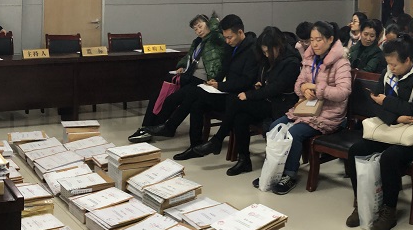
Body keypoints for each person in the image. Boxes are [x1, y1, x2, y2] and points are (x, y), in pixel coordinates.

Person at [346, 35, 413, 230]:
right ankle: (361, 203)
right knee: (356, 151)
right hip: (390, 128)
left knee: (389, 158)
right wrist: (396, 117)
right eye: (388, 63)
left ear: (408, 60)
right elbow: (374, 103)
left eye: (394, 64)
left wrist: (386, 102)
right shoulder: (387, 73)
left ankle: (389, 211)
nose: (391, 68)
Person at [257, 21, 352, 194]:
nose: (314, 44)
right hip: (306, 109)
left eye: (319, 40)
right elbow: (298, 84)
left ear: (330, 39)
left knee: (294, 133)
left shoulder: (341, 63)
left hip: (328, 115)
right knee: (275, 126)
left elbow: (343, 92)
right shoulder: (309, 59)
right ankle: (274, 170)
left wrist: (316, 88)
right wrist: (303, 89)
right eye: (312, 40)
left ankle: (289, 174)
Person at [192, 27, 301, 175]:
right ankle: (244, 160)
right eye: (264, 52)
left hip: (280, 105)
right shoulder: (268, 58)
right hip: (266, 100)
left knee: (236, 102)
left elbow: (276, 88)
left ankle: (217, 140)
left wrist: (249, 95)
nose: (266, 55)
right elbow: (266, 80)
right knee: (240, 117)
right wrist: (260, 83)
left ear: (278, 46)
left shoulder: (291, 62)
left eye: (268, 51)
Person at [160, 14, 258, 159]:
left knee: (194, 92)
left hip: (238, 97)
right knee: (197, 103)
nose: (227, 41)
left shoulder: (252, 50)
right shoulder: (231, 46)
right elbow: (224, 69)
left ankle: (170, 126)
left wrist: (221, 85)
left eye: (229, 37)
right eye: (225, 37)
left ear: (240, 32)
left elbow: (247, 81)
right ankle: (195, 146)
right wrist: (215, 80)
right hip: (227, 92)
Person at [129, 13, 227, 143]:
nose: (198, 31)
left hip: (204, 81)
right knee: (157, 95)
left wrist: (213, 21)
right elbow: (188, 57)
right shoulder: (198, 42)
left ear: (208, 24)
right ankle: (146, 128)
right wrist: (181, 65)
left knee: (172, 99)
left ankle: (157, 128)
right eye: (195, 29)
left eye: (200, 26)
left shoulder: (216, 40)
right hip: (189, 77)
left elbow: (217, 31)